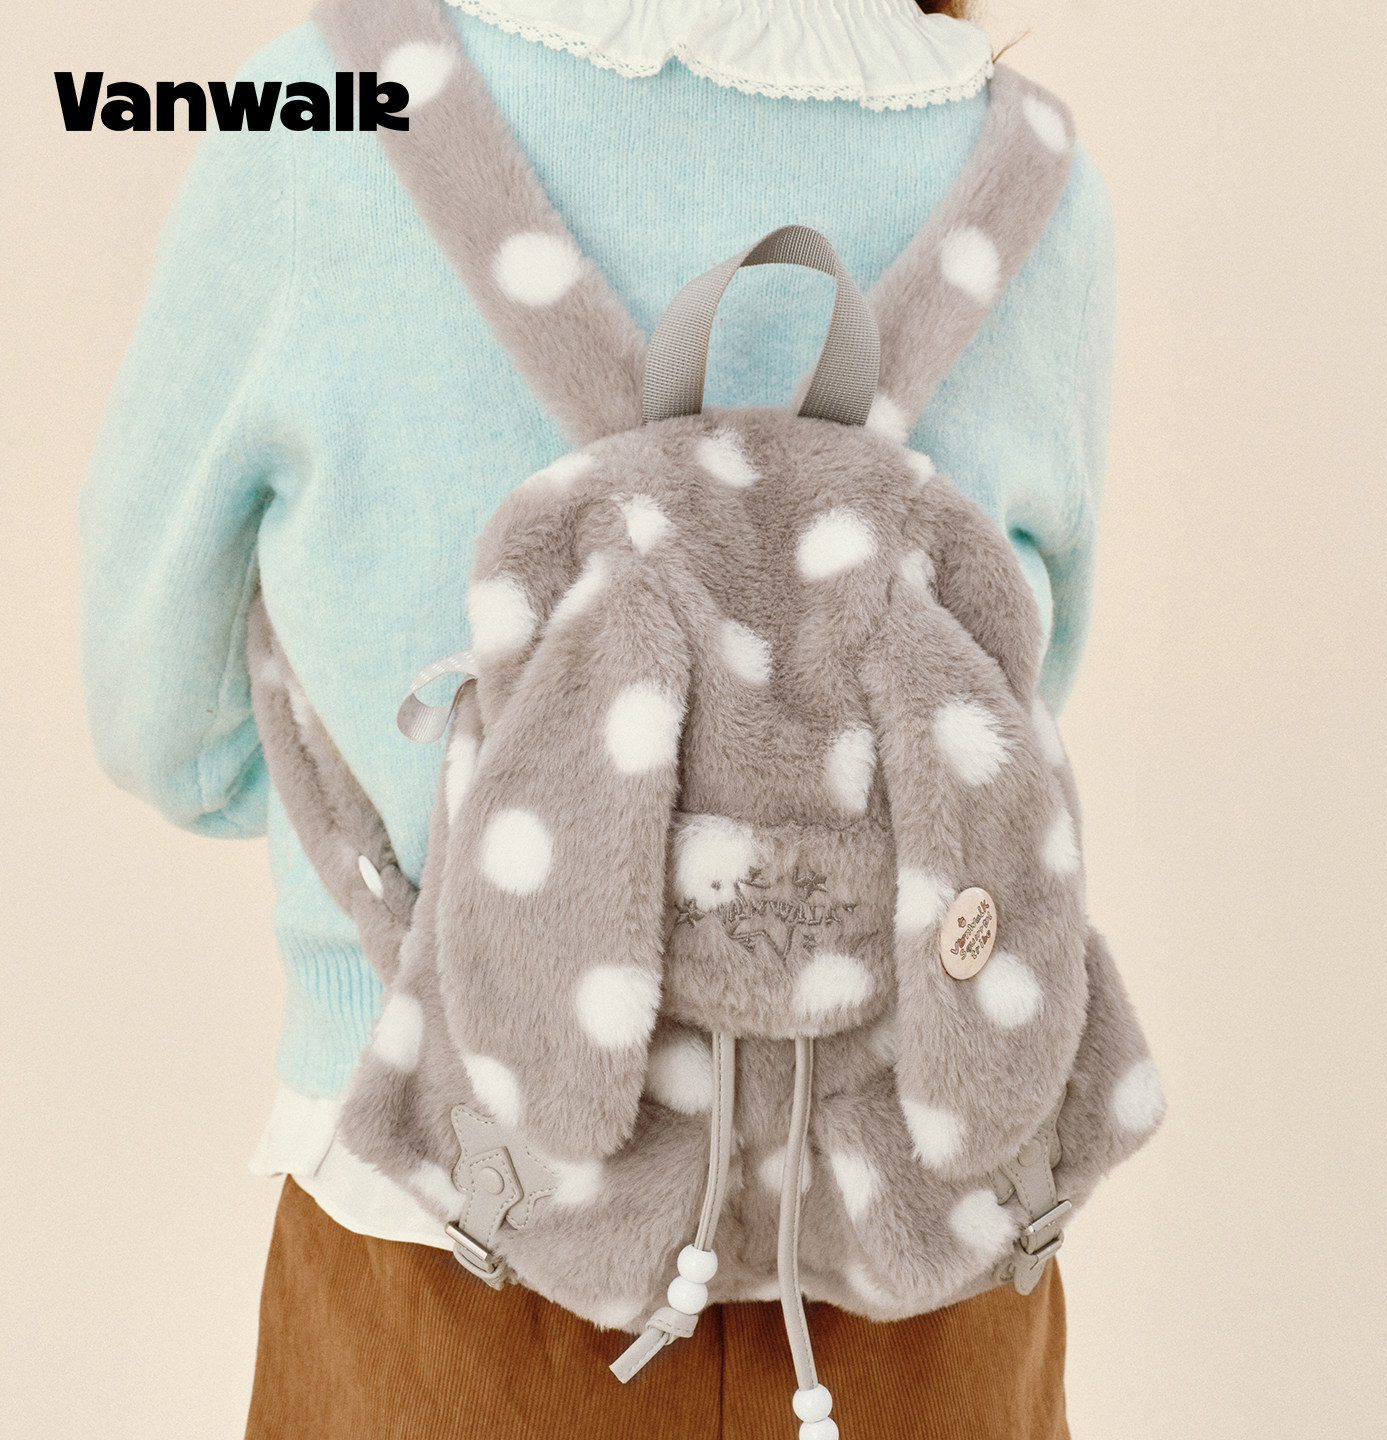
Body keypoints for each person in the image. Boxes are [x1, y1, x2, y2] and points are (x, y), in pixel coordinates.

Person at [82, 0, 1114, 1433]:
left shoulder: (316, 118)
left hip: (447, 1235)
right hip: (924, 1259)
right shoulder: (1036, 184)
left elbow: (166, 731)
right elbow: (1013, 708)